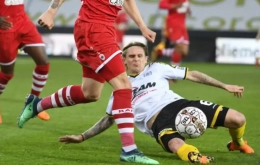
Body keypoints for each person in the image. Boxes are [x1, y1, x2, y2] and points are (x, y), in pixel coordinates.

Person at [17, 0, 158, 164]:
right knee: (124, 86)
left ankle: (36, 105)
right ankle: (130, 151)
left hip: (103, 30)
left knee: (90, 93)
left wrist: (142, 25)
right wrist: (51, 10)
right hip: (93, 30)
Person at [59, 42, 254, 164]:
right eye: (131, 56)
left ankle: (237, 143)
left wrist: (224, 85)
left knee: (238, 119)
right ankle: (195, 158)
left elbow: (193, 74)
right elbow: (107, 120)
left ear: (146, 58)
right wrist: (82, 137)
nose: (136, 59)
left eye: (139, 56)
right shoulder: (120, 90)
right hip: (158, 122)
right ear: (124, 61)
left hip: (181, 105)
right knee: (177, 145)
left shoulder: (158, 68)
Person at [151, 0, 191, 65]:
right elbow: (161, 4)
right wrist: (174, 5)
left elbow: (184, 2)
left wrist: (188, 8)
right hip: (173, 22)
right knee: (179, 47)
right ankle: (173, 74)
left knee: (184, 52)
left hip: (182, 24)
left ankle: (160, 51)